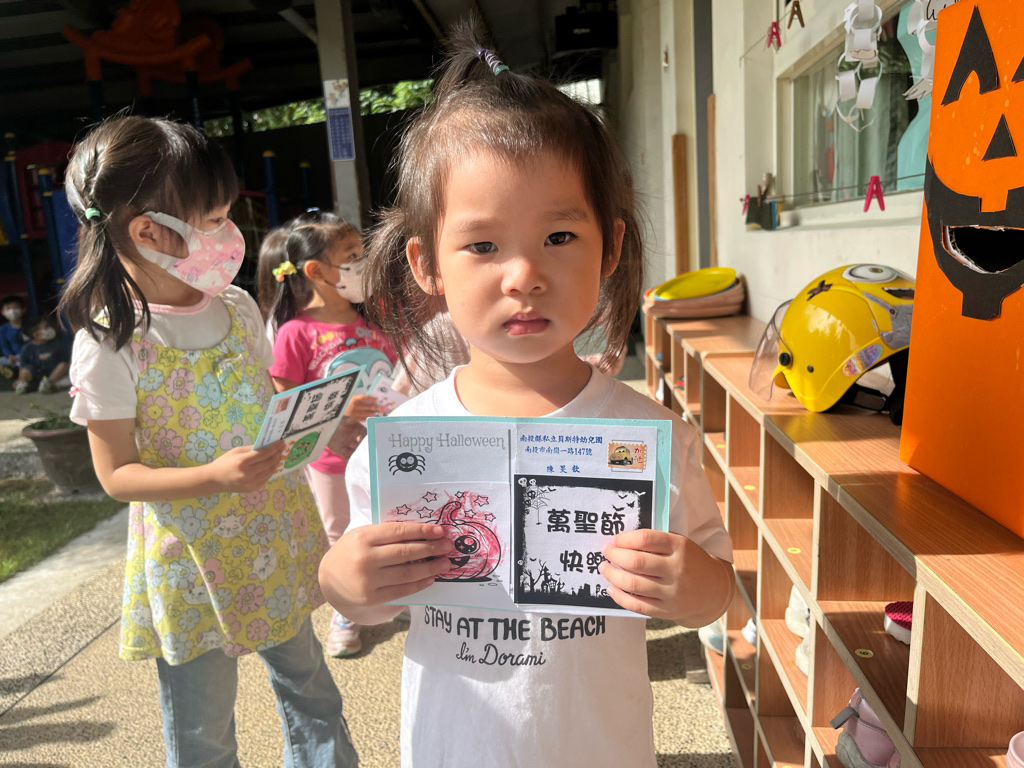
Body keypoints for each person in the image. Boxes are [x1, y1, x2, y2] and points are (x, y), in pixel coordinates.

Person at [318, 21, 735, 768]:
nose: (523, 277)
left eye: (559, 238)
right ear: (427, 263)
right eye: (482, 245)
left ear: (610, 246)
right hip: (455, 749)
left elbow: (714, 591)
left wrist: (689, 585)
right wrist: (345, 581)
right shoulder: (405, 443)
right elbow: (362, 597)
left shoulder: (651, 437)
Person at [59, 116, 357, 768]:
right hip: (191, 566)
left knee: (311, 690)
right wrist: (215, 477)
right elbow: (118, 475)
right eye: (215, 218)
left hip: (272, 534)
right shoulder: (111, 342)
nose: (230, 233)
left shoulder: (237, 308)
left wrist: (321, 419)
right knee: (203, 731)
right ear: (148, 231)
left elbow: (264, 393)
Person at [258, 210, 397, 658]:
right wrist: (340, 413)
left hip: (385, 451)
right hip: (331, 459)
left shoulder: (376, 322)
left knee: (389, 523)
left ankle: (393, 594)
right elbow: (286, 402)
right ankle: (345, 609)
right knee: (340, 533)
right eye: (352, 257)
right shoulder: (295, 333)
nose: (363, 263)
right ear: (317, 271)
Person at [14, 313, 71, 394]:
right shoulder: (26, 348)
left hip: (53, 374)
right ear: (36, 335)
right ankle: (23, 385)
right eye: (46, 327)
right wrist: (21, 378)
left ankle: (47, 383)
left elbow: (65, 363)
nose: (50, 329)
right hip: (35, 374)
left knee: (64, 365)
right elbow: (22, 366)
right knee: (25, 370)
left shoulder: (58, 344)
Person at [0, 295, 26, 372]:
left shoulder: (30, 326)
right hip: (13, 357)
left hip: (29, 355)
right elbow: (4, 345)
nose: (12, 311)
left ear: (23, 310)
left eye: (15, 307)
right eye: (8, 308)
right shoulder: (3, 329)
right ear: (2, 312)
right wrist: (9, 355)